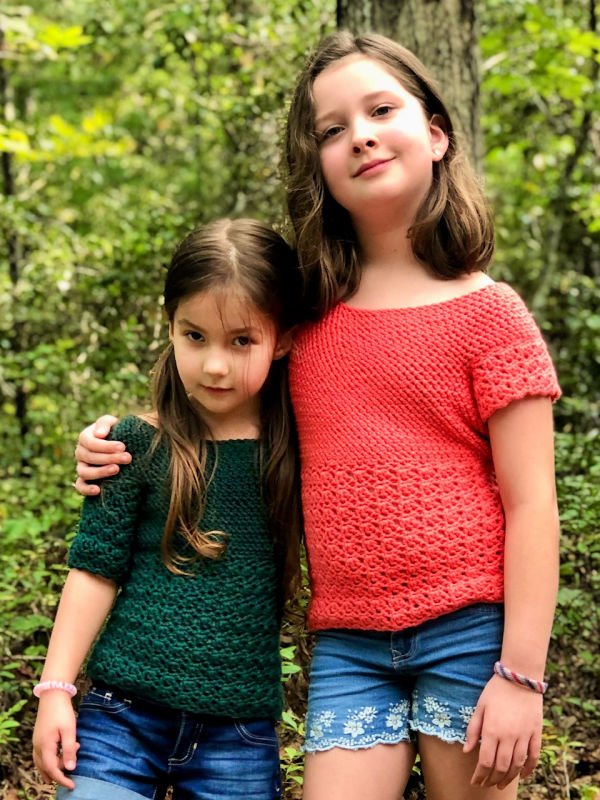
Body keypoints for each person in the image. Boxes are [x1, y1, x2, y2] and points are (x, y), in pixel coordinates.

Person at [72, 32, 561, 800]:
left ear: (436, 132)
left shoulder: (492, 314)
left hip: (471, 632)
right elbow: (215, 389)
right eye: (331, 130)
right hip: (348, 644)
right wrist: (111, 443)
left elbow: (533, 503)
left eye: (381, 110)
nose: (359, 135)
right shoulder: (305, 314)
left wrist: (522, 674)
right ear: (319, 169)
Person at [33, 218, 303, 800]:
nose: (213, 365)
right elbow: (95, 566)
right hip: (120, 718)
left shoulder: (298, 452)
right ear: (171, 328)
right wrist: (56, 687)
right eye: (195, 336)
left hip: (240, 733)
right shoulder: (137, 444)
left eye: (241, 341)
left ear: (282, 338)